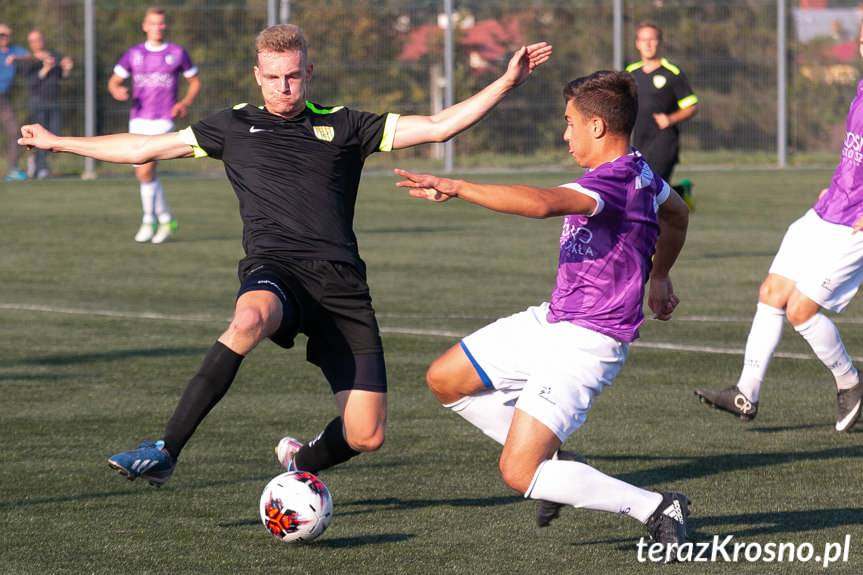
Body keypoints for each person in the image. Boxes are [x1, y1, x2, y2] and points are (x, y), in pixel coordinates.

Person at [19, 24, 552, 488]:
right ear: (257, 74)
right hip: (275, 269)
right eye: (273, 77)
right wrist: (58, 142)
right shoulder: (229, 126)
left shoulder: (347, 126)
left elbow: (438, 126)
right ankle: (164, 450)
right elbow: (140, 148)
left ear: (309, 71)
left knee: (366, 434)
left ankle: (302, 461)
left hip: (342, 286)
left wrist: (505, 81)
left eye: (293, 76)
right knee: (249, 316)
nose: (283, 87)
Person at [393, 70, 691, 557]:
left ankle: (657, 507)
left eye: (570, 122)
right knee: (445, 379)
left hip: (588, 341)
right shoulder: (641, 172)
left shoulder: (614, 181)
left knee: (518, 472)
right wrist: (659, 277)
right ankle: (557, 462)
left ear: (597, 127)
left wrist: (458, 186)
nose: (565, 133)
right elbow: (677, 214)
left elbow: (542, 203)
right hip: (554, 320)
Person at [694, 22, 863, 433]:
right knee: (772, 293)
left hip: (854, 226)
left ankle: (851, 384)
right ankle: (746, 392)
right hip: (827, 209)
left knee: (801, 311)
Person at [108, 6, 200, 244]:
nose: (157, 27)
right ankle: (166, 218)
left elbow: (194, 82)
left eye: (161, 23)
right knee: (143, 174)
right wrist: (116, 89)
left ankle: (149, 220)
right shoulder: (134, 53)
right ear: (144, 26)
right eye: (152, 23)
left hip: (163, 120)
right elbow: (114, 80)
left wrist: (184, 102)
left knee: (145, 168)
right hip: (138, 118)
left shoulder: (177, 53)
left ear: (165, 26)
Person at [626, 21, 698, 210]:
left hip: (664, 141)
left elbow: (691, 106)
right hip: (639, 139)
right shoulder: (630, 73)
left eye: (652, 40)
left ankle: (652, 234)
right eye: (644, 40)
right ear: (637, 43)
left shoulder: (672, 73)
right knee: (645, 186)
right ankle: (681, 192)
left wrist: (670, 119)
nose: (648, 44)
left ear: (659, 42)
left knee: (649, 190)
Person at [22, 29, 74, 180]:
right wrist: (45, 68)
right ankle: (41, 168)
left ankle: (39, 163)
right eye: (32, 41)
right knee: (40, 137)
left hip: (53, 101)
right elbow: (31, 83)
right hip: (37, 102)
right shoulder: (29, 60)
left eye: (38, 39)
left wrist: (66, 68)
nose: (36, 43)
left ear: (43, 39)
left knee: (54, 133)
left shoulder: (55, 55)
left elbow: (63, 76)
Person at [1, 22, 29, 181]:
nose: (3, 38)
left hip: (3, 98)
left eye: (6, 35)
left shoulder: (14, 51)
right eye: (0, 35)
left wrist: (15, 57)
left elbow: (31, 56)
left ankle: (13, 169)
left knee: (14, 131)